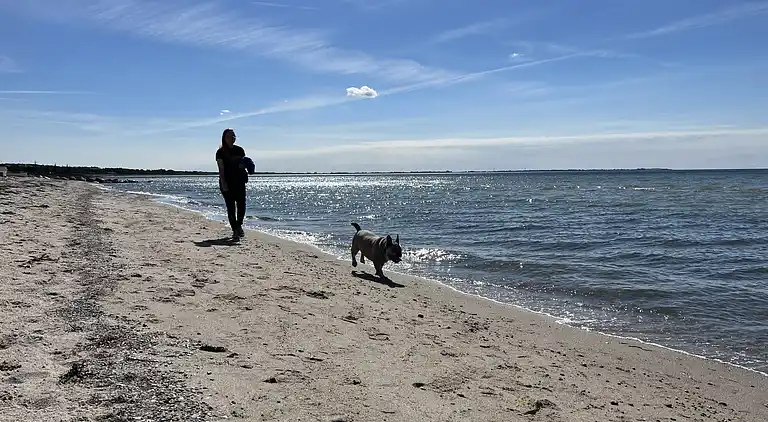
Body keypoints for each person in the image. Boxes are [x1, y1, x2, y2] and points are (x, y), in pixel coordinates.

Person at [216, 128, 248, 239]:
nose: (231, 138)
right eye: (229, 136)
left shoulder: (240, 150)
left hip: (240, 182)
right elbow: (221, 169)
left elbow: (244, 164)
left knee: (241, 206)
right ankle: (235, 230)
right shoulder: (220, 152)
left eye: (233, 136)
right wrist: (224, 183)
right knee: (231, 208)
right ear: (224, 138)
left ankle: (239, 225)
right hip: (227, 183)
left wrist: (245, 166)